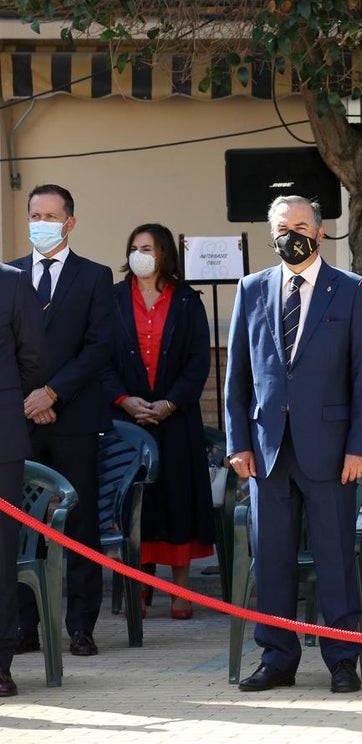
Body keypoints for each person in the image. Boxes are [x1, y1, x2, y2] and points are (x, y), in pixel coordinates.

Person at [225, 195, 362, 693]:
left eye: (299, 225)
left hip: (333, 450)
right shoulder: (251, 289)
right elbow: (238, 377)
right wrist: (237, 443)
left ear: (319, 230)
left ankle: (342, 659)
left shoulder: (352, 290)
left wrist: (361, 447)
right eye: (280, 226)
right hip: (267, 448)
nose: (289, 234)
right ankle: (277, 658)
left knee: (335, 556)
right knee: (271, 559)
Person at [9, 184, 114, 658]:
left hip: (74, 418)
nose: (42, 222)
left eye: (51, 215)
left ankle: (80, 626)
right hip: (20, 421)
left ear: (70, 222)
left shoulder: (95, 276)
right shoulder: (10, 275)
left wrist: (51, 392)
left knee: (80, 523)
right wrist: (29, 398)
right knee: (23, 525)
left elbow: (98, 348)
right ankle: (24, 626)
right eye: (35, 214)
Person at [102, 223, 214, 620]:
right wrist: (125, 400)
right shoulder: (112, 299)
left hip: (176, 420)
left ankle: (181, 590)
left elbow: (199, 360)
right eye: (134, 247)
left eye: (147, 247)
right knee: (136, 503)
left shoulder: (187, 300)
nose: (139, 254)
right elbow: (102, 357)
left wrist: (169, 403)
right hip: (127, 422)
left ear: (164, 253)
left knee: (177, 501)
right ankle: (141, 589)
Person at [0, 263, 46, 698]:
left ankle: (1, 662)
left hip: (2, 441)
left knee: (0, 558)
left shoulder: (12, 281)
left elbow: (33, 360)